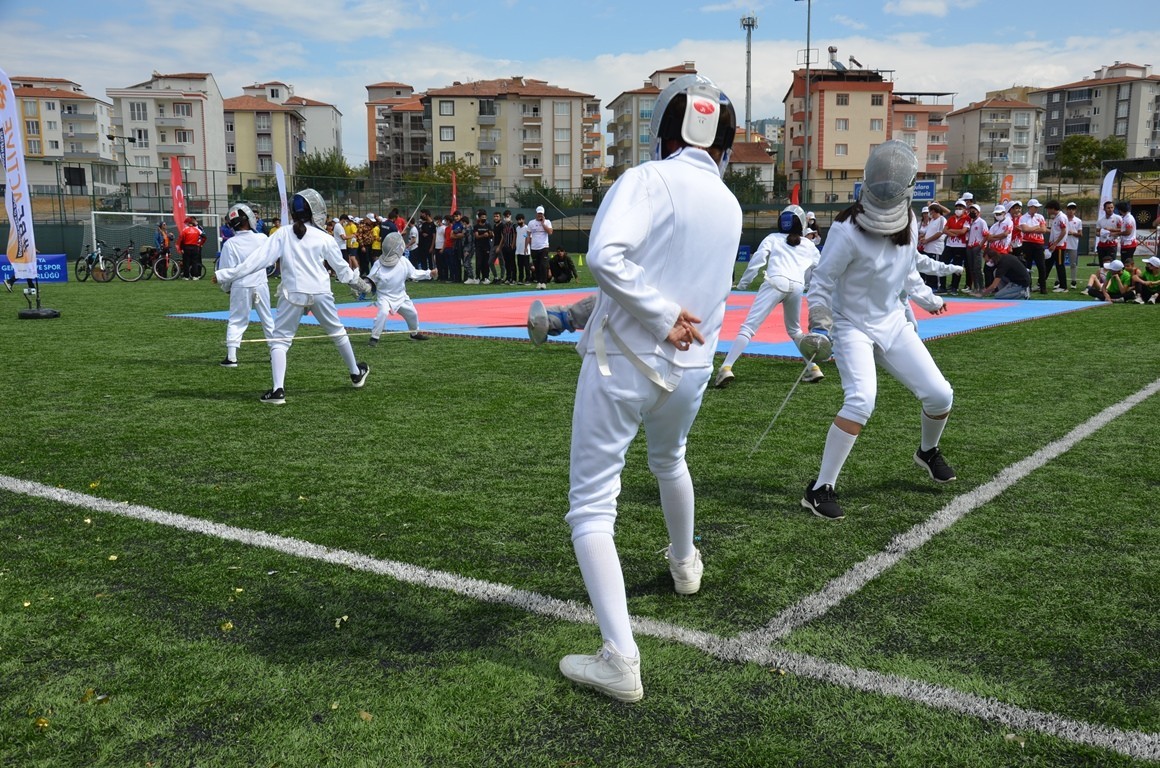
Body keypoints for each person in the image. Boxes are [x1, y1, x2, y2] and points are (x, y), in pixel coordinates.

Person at [558, 73, 741, 703]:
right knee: (670, 460)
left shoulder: (646, 179)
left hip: (625, 361)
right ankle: (685, 565)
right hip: (691, 369)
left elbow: (605, 256)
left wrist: (661, 316)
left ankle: (620, 658)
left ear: (666, 131)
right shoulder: (729, 203)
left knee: (591, 507)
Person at [799, 140, 955, 522]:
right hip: (851, 325)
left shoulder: (911, 221)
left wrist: (929, 300)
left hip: (893, 322)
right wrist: (820, 322)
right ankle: (819, 489)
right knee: (861, 401)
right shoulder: (845, 229)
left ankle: (927, 452)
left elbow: (908, 272)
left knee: (940, 395)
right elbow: (821, 282)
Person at [214, 188, 371, 405]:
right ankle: (355, 373)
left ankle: (278, 391)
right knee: (337, 332)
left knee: (280, 340)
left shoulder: (283, 233)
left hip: (292, 293)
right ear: (315, 211)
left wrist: (224, 275)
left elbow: (256, 262)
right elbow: (343, 271)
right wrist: (362, 285)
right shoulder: (323, 238)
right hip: (320, 292)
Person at [714, 204, 823, 388]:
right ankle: (813, 368)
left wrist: (744, 283)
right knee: (795, 331)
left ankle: (726, 368)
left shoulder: (772, 238)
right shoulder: (808, 245)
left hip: (775, 282)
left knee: (748, 327)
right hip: (797, 287)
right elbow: (821, 269)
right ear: (802, 224)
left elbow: (757, 259)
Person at [217, 203, 275, 367]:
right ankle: (275, 352)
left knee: (237, 320)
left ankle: (232, 357)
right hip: (260, 283)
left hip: (240, 285)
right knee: (267, 319)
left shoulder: (230, 244)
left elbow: (226, 269)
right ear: (249, 219)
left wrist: (226, 288)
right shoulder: (262, 238)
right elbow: (269, 261)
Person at [366, 231, 436, 346]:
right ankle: (374, 337)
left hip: (401, 296)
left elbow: (414, 273)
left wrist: (429, 273)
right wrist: (364, 285)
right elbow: (370, 279)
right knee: (383, 313)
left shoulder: (403, 261)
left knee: (412, 313)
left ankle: (414, 333)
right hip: (384, 297)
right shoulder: (378, 264)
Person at [1018, 199, 1048, 295]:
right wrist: (1036, 227)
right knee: (1027, 266)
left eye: (1037, 207)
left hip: (1038, 244)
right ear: (1030, 207)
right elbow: (1025, 230)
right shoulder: (1023, 218)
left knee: (1041, 266)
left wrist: (1030, 229)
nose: (1037, 209)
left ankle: (1043, 287)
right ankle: (1028, 286)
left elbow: (1043, 230)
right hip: (1027, 244)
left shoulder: (1040, 217)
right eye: (1035, 207)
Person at [942, 200, 970, 294]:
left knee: (957, 266)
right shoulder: (951, 218)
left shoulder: (967, 219)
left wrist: (950, 230)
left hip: (960, 246)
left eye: (960, 208)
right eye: (957, 208)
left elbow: (963, 231)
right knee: (943, 263)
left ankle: (954, 287)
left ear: (964, 209)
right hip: (949, 245)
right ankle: (942, 286)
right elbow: (944, 230)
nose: (958, 209)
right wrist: (954, 233)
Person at [1045, 201, 1069, 292]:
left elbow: (1063, 231)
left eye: (1048, 209)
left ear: (1053, 208)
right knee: (1047, 264)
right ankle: (1041, 283)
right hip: (1053, 246)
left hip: (1059, 246)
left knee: (1060, 265)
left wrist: (1055, 244)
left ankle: (1063, 286)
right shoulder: (1056, 217)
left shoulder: (1061, 217)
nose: (1047, 211)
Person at [528, 205, 553, 289]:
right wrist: (527, 246)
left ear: (543, 214)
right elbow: (528, 235)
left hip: (544, 247)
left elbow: (550, 232)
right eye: (539, 213)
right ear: (536, 213)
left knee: (543, 265)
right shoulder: (531, 223)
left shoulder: (548, 222)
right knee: (537, 265)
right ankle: (539, 281)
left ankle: (544, 282)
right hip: (534, 248)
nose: (540, 215)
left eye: (541, 214)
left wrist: (543, 224)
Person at [1094, 201, 1122, 267]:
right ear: (1104, 209)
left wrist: (1111, 231)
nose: (1110, 209)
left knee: (1111, 264)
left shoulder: (1118, 218)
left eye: (1112, 207)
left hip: (1112, 244)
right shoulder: (1100, 220)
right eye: (1108, 208)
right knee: (1102, 265)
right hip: (1102, 245)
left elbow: (1121, 230)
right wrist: (1102, 233)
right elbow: (1097, 232)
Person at [471, 210, 494, 285]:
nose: (484, 218)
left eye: (485, 217)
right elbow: (476, 236)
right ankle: (477, 277)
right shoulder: (476, 226)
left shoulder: (488, 225)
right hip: (479, 247)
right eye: (482, 217)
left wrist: (490, 234)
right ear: (479, 218)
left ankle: (485, 277)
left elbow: (491, 235)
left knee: (486, 263)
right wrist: (483, 235)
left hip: (487, 247)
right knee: (479, 263)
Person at [1064, 202, 1083, 289]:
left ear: (1075, 210)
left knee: (1073, 264)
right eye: (1069, 209)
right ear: (1067, 210)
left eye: (1073, 209)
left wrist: (1073, 233)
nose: (1071, 211)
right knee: (1060, 264)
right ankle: (1058, 281)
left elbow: (1080, 234)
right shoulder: (1063, 219)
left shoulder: (1078, 221)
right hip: (1063, 244)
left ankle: (1073, 281)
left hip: (1073, 245)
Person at [515, 213, 531, 285]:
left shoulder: (527, 228)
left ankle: (528, 279)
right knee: (520, 266)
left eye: (520, 220)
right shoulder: (517, 228)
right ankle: (520, 279)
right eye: (518, 220)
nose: (519, 221)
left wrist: (526, 247)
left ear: (523, 220)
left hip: (525, 250)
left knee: (526, 266)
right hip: (519, 250)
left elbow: (527, 238)